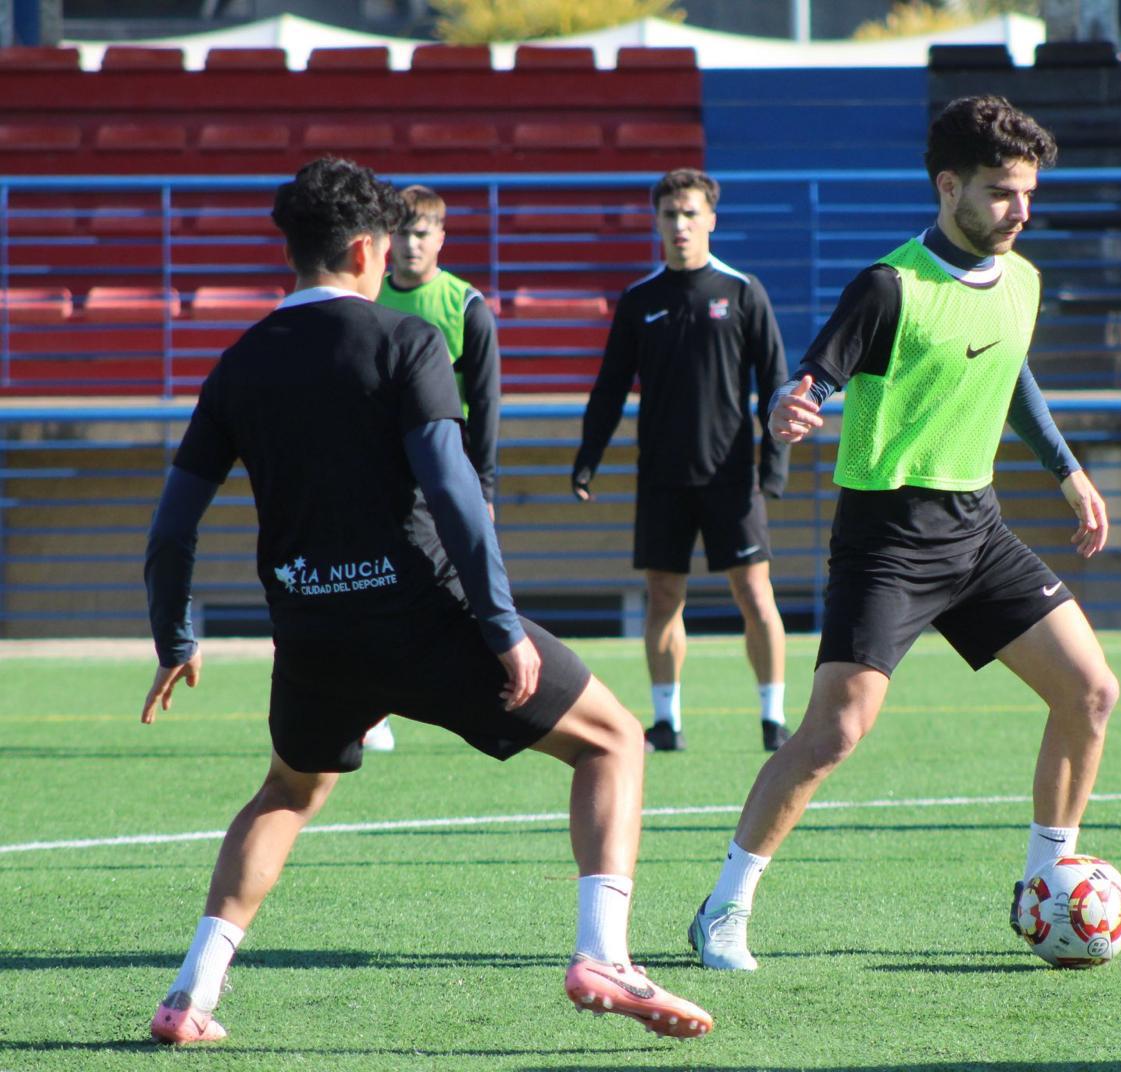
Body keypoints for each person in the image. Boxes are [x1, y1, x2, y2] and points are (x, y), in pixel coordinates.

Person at [140, 157, 712, 1045]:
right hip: (427, 620)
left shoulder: (238, 362)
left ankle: (190, 997)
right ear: (366, 250)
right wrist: (500, 628)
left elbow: (171, 530)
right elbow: (454, 497)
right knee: (613, 740)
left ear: (293, 251)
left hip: (311, 632)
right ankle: (603, 953)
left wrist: (176, 636)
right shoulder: (406, 342)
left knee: (287, 794)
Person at [686, 96, 1121, 972]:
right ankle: (723, 907)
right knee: (833, 734)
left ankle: (1049, 884)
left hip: (978, 530)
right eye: (1003, 192)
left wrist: (1069, 471)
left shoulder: (1023, 280)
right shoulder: (889, 286)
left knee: (1091, 691)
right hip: (889, 538)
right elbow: (814, 377)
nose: (1021, 209)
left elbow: (1012, 377)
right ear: (949, 187)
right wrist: (795, 405)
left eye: (1028, 193)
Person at [572, 168, 791, 754]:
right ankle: (665, 721)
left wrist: (774, 465)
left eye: (691, 213)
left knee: (754, 593)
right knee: (664, 596)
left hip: (731, 477)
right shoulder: (640, 300)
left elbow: (776, 383)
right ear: (657, 222)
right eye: (670, 214)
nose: (681, 225)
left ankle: (773, 718)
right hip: (662, 478)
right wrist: (587, 457)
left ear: (711, 220)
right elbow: (610, 387)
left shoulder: (743, 292)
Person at [365, 185, 504, 753]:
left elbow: (488, 402)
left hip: (447, 470)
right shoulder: (369, 300)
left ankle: (493, 693)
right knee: (375, 581)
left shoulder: (466, 306)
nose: (410, 244)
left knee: (462, 585)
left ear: (442, 239)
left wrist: (484, 485)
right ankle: (371, 708)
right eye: (400, 233)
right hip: (381, 470)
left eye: (422, 233)